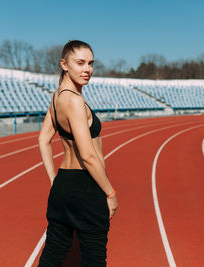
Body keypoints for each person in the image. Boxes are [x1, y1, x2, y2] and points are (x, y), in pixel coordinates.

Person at [37, 40, 118, 266]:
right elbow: (88, 156)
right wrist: (110, 194)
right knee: (93, 259)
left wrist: (55, 180)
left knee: (53, 255)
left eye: (91, 63)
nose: (87, 69)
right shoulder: (73, 100)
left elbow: (43, 139)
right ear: (64, 64)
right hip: (86, 188)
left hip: (63, 185)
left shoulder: (57, 97)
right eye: (80, 63)